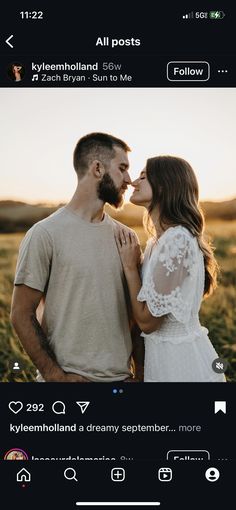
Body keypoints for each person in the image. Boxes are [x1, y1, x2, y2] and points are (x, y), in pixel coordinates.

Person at [11, 132, 142, 382]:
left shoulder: (127, 238)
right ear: (97, 168)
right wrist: (55, 377)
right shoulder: (44, 234)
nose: (129, 179)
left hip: (121, 384)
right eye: (122, 168)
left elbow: (136, 317)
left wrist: (142, 376)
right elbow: (20, 313)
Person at [115, 155, 226, 382]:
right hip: (163, 358)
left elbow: (148, 322)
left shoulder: (177, 239)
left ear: (164, 185)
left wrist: (130, 268)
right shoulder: (158, 241)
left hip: (180, 365)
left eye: (143, 176)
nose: (134, 182)